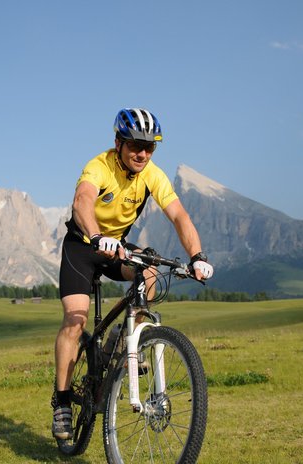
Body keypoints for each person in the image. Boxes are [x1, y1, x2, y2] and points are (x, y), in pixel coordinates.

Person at [52, 107, 214, 440]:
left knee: (149, 267)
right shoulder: (100, 165)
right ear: (119, 143)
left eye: (149, 147)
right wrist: (96, 236)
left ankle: (129, 338)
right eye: (135, 146)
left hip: (118, 248)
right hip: (82, 246)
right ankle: (63, 402)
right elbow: (82, 201)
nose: (142, 154)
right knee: (75, 320)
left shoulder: (152, 174)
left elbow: (179, 216)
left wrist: (197, 257)